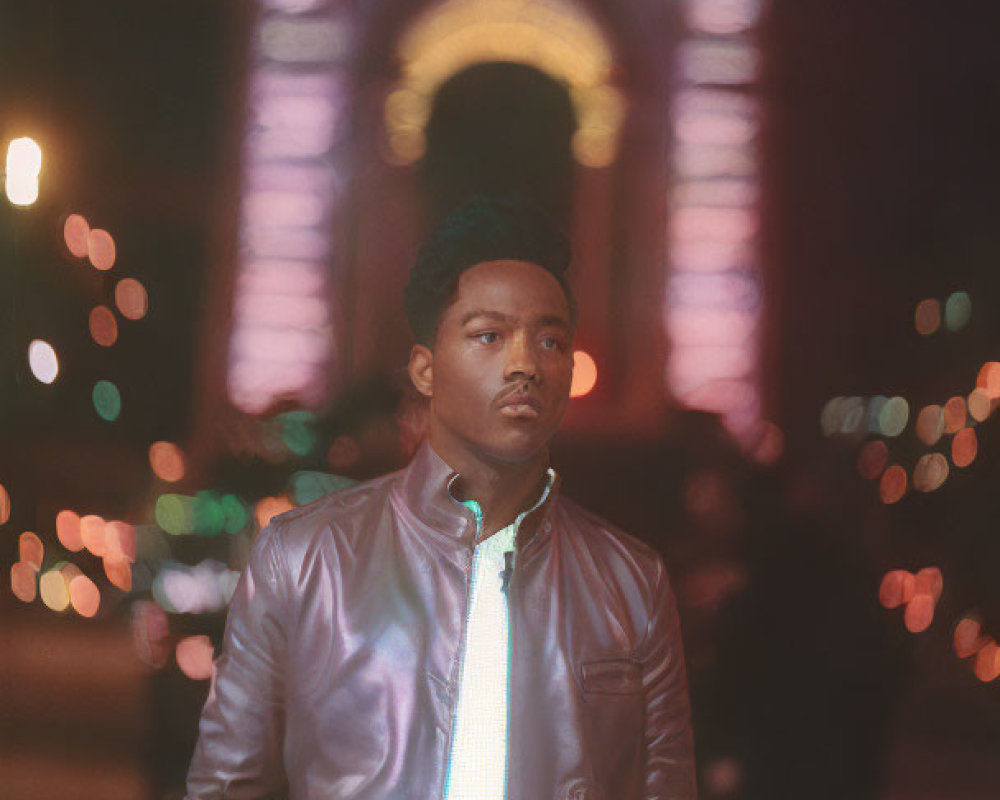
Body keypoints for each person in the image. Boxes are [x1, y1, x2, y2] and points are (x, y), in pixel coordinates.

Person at [185, 197, 696, 800]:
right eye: (489, 336)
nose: (524, 364)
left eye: (551, 342)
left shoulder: (631, 583)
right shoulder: (302, 560)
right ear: (425, 370)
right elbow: (227, 787)